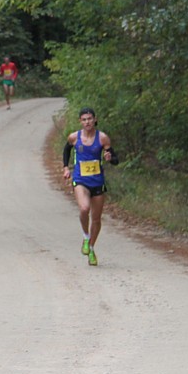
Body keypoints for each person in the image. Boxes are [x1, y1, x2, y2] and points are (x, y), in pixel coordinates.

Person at [62, 107, 119, 266]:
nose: (87, 122)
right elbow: (66, 150)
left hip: (98, 182)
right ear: (80, 121)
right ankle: (86, 237)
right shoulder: (74, 137)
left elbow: (115, 159)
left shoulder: (102, 138)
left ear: (95, 119)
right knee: (84, 208)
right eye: (84, 119)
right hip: (80, 179)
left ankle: (91, 247)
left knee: (96, 218)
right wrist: (66, 167)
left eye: (89, 119)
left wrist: (110, 158)